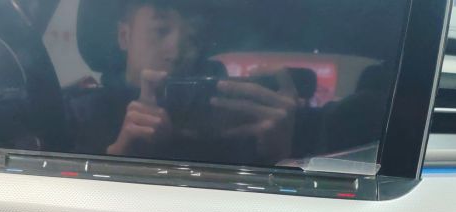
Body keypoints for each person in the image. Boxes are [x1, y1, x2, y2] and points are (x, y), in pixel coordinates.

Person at [66, 0, 299, 166]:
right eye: (160, 31)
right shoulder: (79, 115)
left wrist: (276, 155)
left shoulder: (232, 117)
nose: (176, 53)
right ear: (124, 36)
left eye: (192, 38)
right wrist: (118, 157)